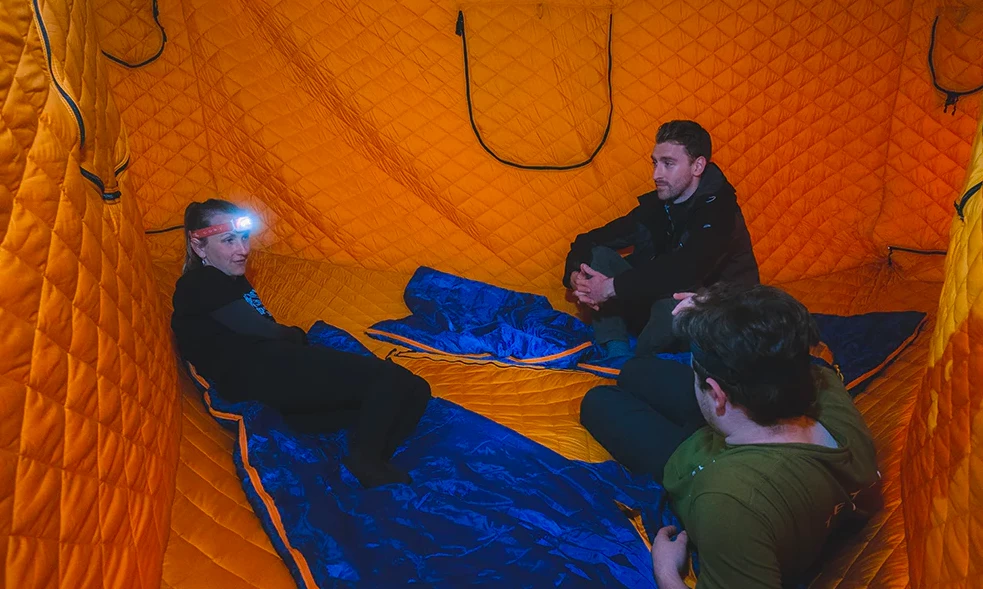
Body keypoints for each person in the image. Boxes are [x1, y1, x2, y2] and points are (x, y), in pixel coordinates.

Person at [171, 199, 431, 488]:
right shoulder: (198, 283)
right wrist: (295, 335)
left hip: (283, 372)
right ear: (199, 246)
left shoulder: (231, 279)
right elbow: (261, 331)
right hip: (265, 371)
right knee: (391, 380)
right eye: (229, 240)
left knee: (416, 390)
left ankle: (363, 453)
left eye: (244, 238)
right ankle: (366, 459)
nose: (242, 250)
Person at [638, 284, 881, 589]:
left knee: (601, 404)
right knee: (637, 372)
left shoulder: (731, 500)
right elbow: (791, 350)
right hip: (740, 427)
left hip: (692, 462)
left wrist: (667, 573)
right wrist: (724, 315)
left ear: (716, 393)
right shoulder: (826, 389)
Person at [563, 120, 758, 358]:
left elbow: (685, 271)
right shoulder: (659, 205)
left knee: (674, 304)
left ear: (697, 166)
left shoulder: (720, 213)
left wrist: (610, 287)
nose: (657, 174)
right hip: (658, 306)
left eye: (668, 164)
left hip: (715, 317)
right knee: (598, 256)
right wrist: (574, 277)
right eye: (655, 163)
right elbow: (589, 240)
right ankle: (616, 353)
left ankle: (638, 365)